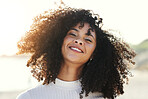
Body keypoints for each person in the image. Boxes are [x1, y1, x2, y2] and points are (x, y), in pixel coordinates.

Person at [16, 7, 136, 99]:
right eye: (73, 34)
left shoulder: (100, 97)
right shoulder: (30, 97)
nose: (78, 41)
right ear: (59, 40)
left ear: (95, 53)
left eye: (88, 39)